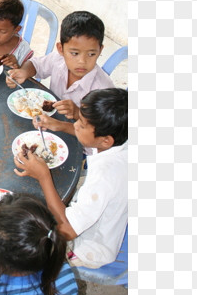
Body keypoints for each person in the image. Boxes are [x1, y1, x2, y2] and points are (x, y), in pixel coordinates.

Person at [14, 87, 127, 268]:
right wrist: (59, 126)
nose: (75, 124)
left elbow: (67, 230)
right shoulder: (122, 139)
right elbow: (93, 137)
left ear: (106, 140)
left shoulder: (104, 177)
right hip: (101, 214)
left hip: (89, 246)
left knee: (23, 235)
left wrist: (43, 176)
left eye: (81, 125)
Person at [6, 10, 114, 136]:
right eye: (74, 53)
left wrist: (77, 113)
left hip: (81, 143)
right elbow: (36, 64)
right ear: (60, 49)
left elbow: (100, 133)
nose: (82, 61)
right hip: (49, 125)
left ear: (100, 50)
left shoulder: (104, 89)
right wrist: (24, 71)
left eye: (91, 54)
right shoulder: (58, 59)